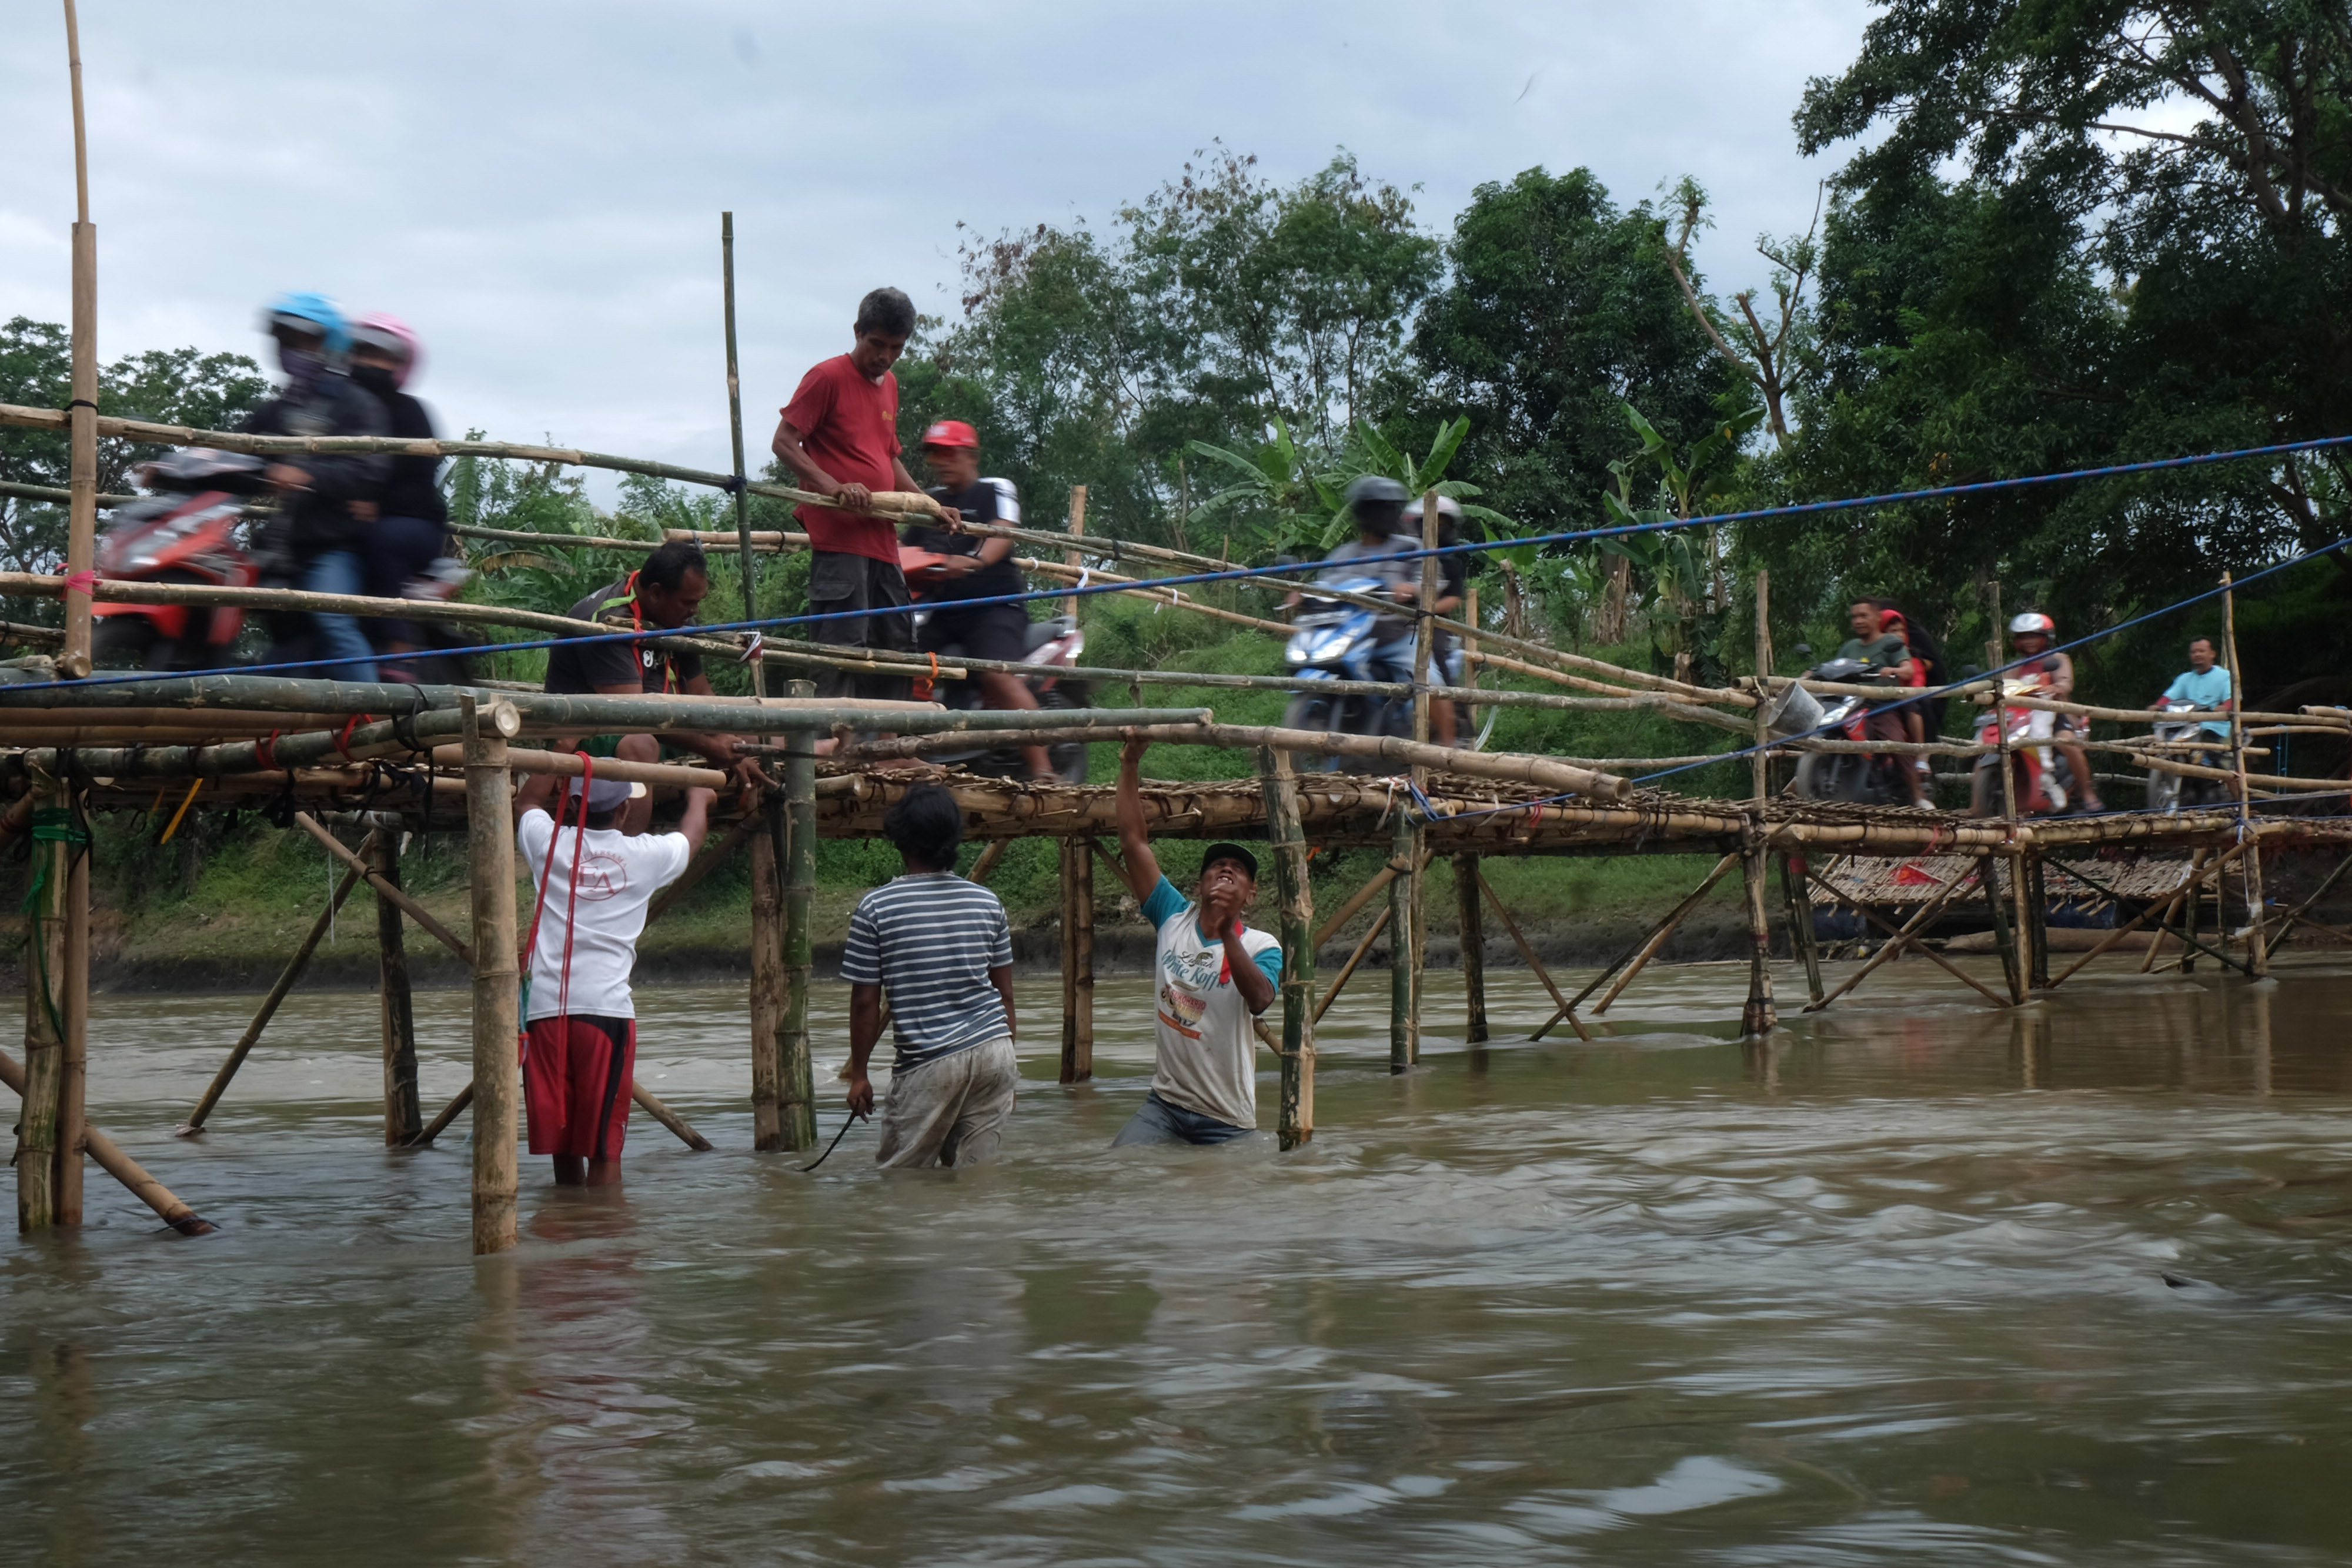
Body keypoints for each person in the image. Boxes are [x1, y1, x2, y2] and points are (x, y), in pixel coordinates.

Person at [516, 772, 714, 1186]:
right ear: (624, 809)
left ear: (571, 805)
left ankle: (569, 1221)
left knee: (563, 1144)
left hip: (544, 1012)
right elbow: (691, 838)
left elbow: (526, 803)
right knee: (604, 1150)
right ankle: (605, 1226)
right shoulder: (644, 854)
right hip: (605, 1011)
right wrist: (699, 797)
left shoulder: (548, 842)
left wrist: (561, 750)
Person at [1108, 737, 1282, 1146]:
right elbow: (1134, 841)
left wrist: (1227, 929)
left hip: (1227, 1117)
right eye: (1217, 866)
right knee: (1122, 1165)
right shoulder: (1172, 915)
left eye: (1237, 870)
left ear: (1251, 895)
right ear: (1199, 885)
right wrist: (1129, 763)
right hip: (1165, 1105)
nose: (1226, 871)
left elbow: (1260, 999)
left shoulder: (1262, 945)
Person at [770, 287, 937, 705]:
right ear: (858, 331)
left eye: (896, 348)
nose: (885, 356)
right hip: (841, 541)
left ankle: (890, 737)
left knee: (896, 643)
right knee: (841, 646)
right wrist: (834, 486)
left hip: (883, 540)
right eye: (877, 344)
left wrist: (930, 504)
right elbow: (784, 442)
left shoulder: (890, 385)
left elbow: (888, 457)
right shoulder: (826, 377)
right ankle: (830, 736)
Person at [840, 784, 1021, 1168]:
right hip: (995, 1052)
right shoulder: (988, 902)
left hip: (930, 1061)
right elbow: (1004, 994)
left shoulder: (876, 908)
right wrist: (1009, 1073)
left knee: (902, 1180)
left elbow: (865, 1002)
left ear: (900, 837)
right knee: (978, 1179)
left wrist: (859, 1075)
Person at [542, 539, 766, 823]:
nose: (695, 611)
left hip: (662, 723)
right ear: (657, 593)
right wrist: (711, 747)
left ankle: (810, 754)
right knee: (641, 744)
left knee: (758, 734)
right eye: (688, 602)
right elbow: (635, 715)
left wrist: (734, 745)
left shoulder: (678, 619)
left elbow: (700, 691)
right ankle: (627, 847)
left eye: (698, 602)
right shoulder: (607, 622)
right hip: (592, 732)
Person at [242, 292, 389, 682]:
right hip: (280, 548)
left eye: (303, 340)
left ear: (329, 344)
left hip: (331, 546)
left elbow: (371, 468)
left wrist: (308, 476)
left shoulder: (355, 404)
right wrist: (174, 466)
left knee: (332, 619)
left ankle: (373, 709)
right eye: (284, 340)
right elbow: (234, 450)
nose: (290, 349)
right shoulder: (278, 409)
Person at [903, 419, 1054, 780]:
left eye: (949, 453)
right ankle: (905, 753)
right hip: (942, 611)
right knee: (900, 664)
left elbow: (1003, 531)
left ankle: (1043, 769)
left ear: (972, 455)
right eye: (934, 454)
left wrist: (976, 560)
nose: (940, 461)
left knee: (996, 674)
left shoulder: (994, 489)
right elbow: (905, 547)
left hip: (995, 607)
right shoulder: (931, 501)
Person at [346, 313, 454, 674]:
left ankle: (399, 643)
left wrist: (376, 504)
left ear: (399, 363)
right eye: (361, 351)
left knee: (382, 538)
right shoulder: (337, 407)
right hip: (344, 518)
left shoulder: (410, 411)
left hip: (411, 522)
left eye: (379, 355)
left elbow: (420, 478)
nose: (367, 361)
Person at [1834, 597, 1930, 807]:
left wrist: (1893, 670)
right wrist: (1810, 674)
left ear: (1877, 617)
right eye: (1855, 617)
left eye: (1863, 616)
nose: (1858, 621)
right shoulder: (1850, 647)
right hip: (1851, 708)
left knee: (1896, 744)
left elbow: (1908, 670)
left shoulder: (1890, 643)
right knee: (1829, 737)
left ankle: (1918, 795)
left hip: (1883, 708)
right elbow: (1834, 667)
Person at [2009, 611, 2103, 813]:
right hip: (2021, 716)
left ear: (2046, 637)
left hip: (2054, 712)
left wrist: (2055, 687)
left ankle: (2087, 793)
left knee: (2067, 742)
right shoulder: (2015, 666)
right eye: (2024, 637)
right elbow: (2002, 685)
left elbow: (2065, 683)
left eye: (2034, 636)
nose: (2029, 641)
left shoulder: (2058, 658)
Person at [1399, 494, 1471, 745]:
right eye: (1431, 523)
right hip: (1399, 622)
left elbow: (1454, 598)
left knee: (1437, 660)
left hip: (1436, 624)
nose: (1436, 528)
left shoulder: (1448, 558)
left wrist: (1428, 612)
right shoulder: (1404, 554)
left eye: (1442, 523)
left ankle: (1457, 726)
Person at [2149, 634, 2235, 763]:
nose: (2197, 655)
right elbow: (2168, 697)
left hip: (2213, 727)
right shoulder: (2185, 678)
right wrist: (2157, 706)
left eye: (2201, 651)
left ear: (2212, 654)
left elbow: (2231, 700)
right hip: (2187, 725)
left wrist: (2224, 708)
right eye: (2194, 652)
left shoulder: (2224, 676)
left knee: (2213, 758)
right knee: (2162, 741)